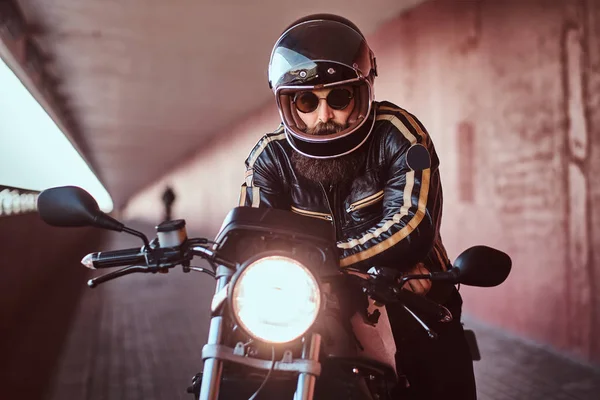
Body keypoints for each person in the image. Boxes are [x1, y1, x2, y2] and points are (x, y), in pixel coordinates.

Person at [239, 14, 476, 399]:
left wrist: (318, 259)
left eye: (338, 97)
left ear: (361, 91)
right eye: (305, 101)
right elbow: (254, 240)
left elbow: (411, 224)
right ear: (288, 104)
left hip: (408, 293)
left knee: (436, 367)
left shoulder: (399, 134)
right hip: (307, 304)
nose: (323, 115)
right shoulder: (270, 158)